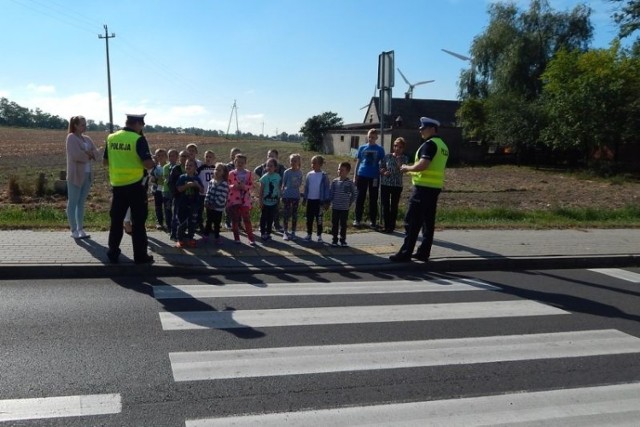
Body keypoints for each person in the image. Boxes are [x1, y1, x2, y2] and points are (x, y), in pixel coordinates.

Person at [390, 117, 449, 263]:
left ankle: (405, 253)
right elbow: (431, 168)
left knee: (412, 221)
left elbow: (423, 165)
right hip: (434, 188)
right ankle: (423, 252)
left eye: (423, 128)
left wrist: (407, 168)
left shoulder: (429, 144)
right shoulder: (443, 146)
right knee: (428, 222)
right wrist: (411, 172)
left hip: (422, 189)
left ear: (432, 129)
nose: (420, 130)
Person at [103, 113, 155, 264]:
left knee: (116, 221)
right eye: (142, 125)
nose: (142, 128)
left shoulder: (111, 138)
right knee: (138, 223)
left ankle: (112, 252)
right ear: (138, 124)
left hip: (117, 185)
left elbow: (105, 162)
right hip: (136, 186)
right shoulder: (138, 139)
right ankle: (140, 256)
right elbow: (147, 164)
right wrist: (154, 163)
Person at [65, 115, 99, 239]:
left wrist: (89, 153)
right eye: (82, 124)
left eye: (85, 124)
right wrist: (89, 154)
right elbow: (76, 155)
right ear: (75, 125)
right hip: (75, 175)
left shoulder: (87, 139)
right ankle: (73, 229)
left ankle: (81, 228)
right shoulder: (71, 138)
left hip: (88, 174)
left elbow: (96, 153)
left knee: (81, 202)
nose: (85, 126)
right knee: (73, 202)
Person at [353, 128, 385, 229]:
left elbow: (383, 163)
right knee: (360, 198)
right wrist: (355, 176)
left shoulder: (380, 149)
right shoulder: (362, 148)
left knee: (373, 198)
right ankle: (357, 220)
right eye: (369, 137)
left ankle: (373, 221)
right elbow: (358, 162)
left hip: (374, 177)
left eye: (373, 137)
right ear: (367, 136)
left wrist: (382, 170)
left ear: (376, 137)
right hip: (362, 175)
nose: (371, 139)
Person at [380, 137, 409, 233]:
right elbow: (381, 167)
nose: (397, 148)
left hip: (397, 185)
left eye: (400, 147)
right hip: (385, 184)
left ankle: (391, 226)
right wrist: (384, 172)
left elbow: (402, 169)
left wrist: (398, 161)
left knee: (394, 206)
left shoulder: (405, 158)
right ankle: (386, 225)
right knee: (385, 205)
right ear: (393, 146)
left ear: (403, 148)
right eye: (396, 146)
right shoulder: (387, 156)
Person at [227, 153, 256, 245]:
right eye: (238, 162)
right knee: (235, 219)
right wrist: (233, 186)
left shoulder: (248, 173)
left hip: (245, 200)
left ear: (245, 163)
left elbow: (251, 186)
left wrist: (245, 186)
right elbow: (227, 185)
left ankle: (251, 238)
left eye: (242, 162)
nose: (240, 164)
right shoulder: (231, 173)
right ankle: (236, 238)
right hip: (234, 199)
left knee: (246, 219)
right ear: (234, 162)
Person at [254, 149, 286, 232]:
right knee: (264, 211)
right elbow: (256, 170)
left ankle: (276, 225)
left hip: (276, 191)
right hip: (265, 192)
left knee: (275, 210)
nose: (270, 157)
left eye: (272, 156)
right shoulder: (265, 166)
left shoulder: (280, 167)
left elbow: (284, 176)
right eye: (269, 156)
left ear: (277, 157)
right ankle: (263, 226)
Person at [175, 158, 204, 248]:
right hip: (182, 204)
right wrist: (187, 185)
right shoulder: (182, 177)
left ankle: (191, 238)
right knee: (182, 222)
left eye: (190, 165)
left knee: (192, 222)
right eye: (187, 165)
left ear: (195, 167)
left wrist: (196, 185)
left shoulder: (197, 179)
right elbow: (179, 189)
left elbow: (202, 190)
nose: (188, 166)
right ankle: (180, 239)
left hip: (194, 204)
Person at [302, 155, 331, 242]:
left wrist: (326, 202)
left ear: (320, 164)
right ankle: (309, 234)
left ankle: (319, 236)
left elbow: (326, 189)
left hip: (319, 202)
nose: (312, 164)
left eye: (314, 163)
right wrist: (304, 199)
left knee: (319, 219)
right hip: (310, 200)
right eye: (312, 163)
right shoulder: (309, 175)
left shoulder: (324, 175)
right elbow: (306, 187)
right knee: (309, 219)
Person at [329, 161, 357, 247]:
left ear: (347, 171)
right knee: (335, 224)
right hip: (335, 207)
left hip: (344, 208)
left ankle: (343, 240)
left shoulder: (349, 183)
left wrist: (350, 202)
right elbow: (331, 193)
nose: (339, 171)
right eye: (339, 169)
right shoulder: (334, 182)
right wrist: (329, 202)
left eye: (342, 170)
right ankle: (334, 240)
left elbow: (354, 193)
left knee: (343, 224)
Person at [203, 163, 229, 244]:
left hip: (218, 208)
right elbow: (208, 192)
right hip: (209, 206)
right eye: (216, 169)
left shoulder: (224, 184)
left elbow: (223, 195)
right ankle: (206, 235)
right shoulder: (211, 181)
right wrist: (206, 201)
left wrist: (215, 204)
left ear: (223, 173)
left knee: (217, 223)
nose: (216, 171)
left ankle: (217, 237)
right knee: (208, 221)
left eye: (219, 170)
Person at [258, 158, 282, 240]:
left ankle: (268, 232)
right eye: (267, 165)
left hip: (274, 202)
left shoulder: (278, 176)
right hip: (265, 202)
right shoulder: (264, 177)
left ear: (275, 167)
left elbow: (278, 188)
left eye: (271, 166)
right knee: (263, 218)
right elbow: (261, 191)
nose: (269, 167)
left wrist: (279, 200)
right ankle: (262, 233)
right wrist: (260, 201)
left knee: (271, 218)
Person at [281, 153, 303, 240]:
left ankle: (293, 232)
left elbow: (300, 184)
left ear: (298, 162)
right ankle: (285, 232)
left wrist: (296, 184)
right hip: (287, 196)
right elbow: (284, 184)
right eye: (291, 161)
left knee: (294, 214)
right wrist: (282, 194)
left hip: (295, 196)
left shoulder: (300, 173)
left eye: (295, 161)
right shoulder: (286, 172)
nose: (293, 162)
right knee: (286, 214)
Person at [168, 150, 189, 240]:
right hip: (178, 196)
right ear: (179, 158)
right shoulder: (175, 169)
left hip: (188, 197)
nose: (184, 158)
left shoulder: (190, 167)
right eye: (182, 156)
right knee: (176, 216)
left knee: (184, 216)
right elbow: (171, 183)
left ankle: (181, 233)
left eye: (186, 156)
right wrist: (175, 194)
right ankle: (174, 234)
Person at [196, 150, 216, 233]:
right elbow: (196, 178)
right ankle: (200, 225)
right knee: (200, 210)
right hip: (202, 193)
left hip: (211, 193)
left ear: (214, 158)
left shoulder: (215, 168)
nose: (208, 158)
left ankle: (209, 226)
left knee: (210, 211)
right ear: (204, 157)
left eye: (210, 157)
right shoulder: (201, 168)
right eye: (207, 156)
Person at [149, 148, 168, 230]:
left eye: (162, 155)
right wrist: (155, 179)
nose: (160, 157)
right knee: (158, 207)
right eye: (158, 155)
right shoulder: (155, 168)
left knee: (167, 207)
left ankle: (168, 222)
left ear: (166, 156)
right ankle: (159, 223)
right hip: (157, 191)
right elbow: (151, 178)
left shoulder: (169, 166)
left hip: (167, 190)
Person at [162, 149, 179, 235]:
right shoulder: (166, 167)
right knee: (168, 209)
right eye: (170, 156)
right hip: (167, 191)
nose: (171, 157)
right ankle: (169, 227)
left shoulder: (179, 167)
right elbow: (168, 179)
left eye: (173, 155)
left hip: (176, 191)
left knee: (175, 210)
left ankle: (175, 227)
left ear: (177, 157)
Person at [224, 147, 241, 229]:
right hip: (229, 190)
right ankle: (228, 222)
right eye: (233, 155)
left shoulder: (242, 167)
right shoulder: (227, 167)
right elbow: (224, 178)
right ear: (230, 156)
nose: (234, 157)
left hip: (239, 191)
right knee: (229, 207)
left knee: (239, 207)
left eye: (237, 155)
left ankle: (239, 223)